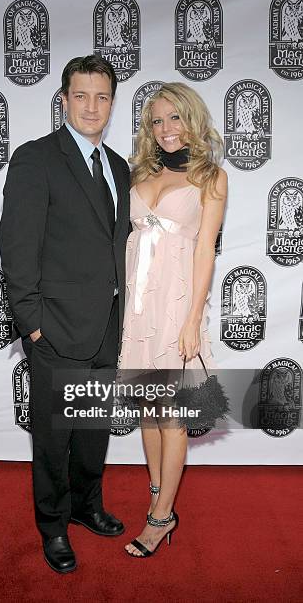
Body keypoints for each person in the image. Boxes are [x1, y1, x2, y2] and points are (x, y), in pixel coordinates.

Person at [0, 55, 130, 573]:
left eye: (101, 97)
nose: (91, 106)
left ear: (112, 103)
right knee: (54, 437)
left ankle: (86, 505)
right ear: (64, 99)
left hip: (107, 326)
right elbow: (17, 246)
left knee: (94, 428)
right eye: (81, 96)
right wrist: (32, 322)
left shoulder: (118, 166)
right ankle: (53, 525)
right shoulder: (36, 158)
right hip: (54, 326)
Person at [118, 82, 227, 557]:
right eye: (157, 120)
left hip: (176, 305)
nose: (165, 129)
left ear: (191, 119)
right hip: (138, 307)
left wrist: (192, 319)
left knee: (173, 418)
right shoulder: (137, 173)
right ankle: (158, 499)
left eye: (174, 118)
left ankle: (160, 520)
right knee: (148, 411)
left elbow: (204, 251)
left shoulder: (211, 177)